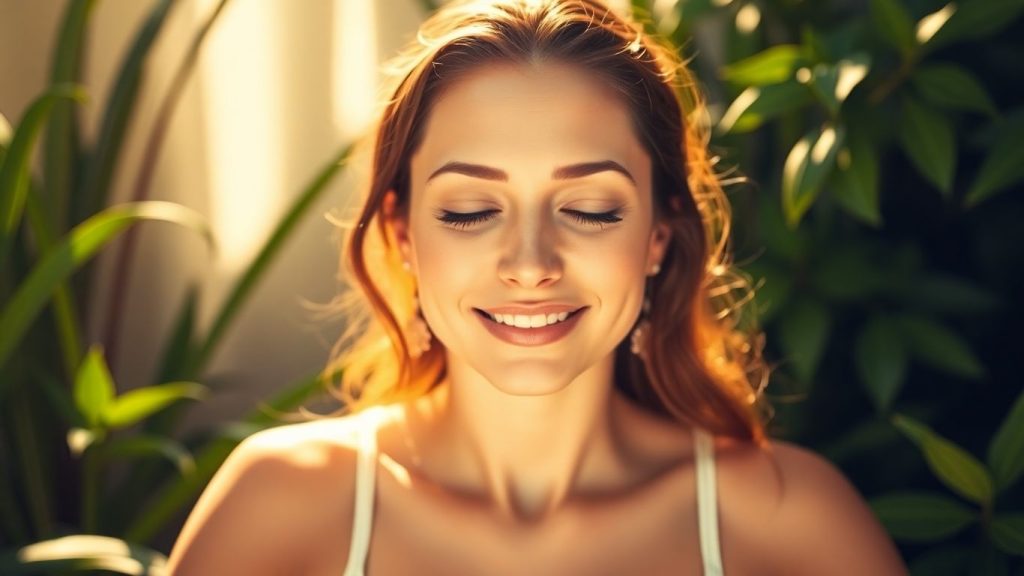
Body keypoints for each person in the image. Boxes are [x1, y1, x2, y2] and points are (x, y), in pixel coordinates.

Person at [167, 0, 908, 574]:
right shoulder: (279, 506)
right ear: (401, 235)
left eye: (588, 210)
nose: (529, 263)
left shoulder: (789, 520)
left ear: (656, 235)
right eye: (469, 211)